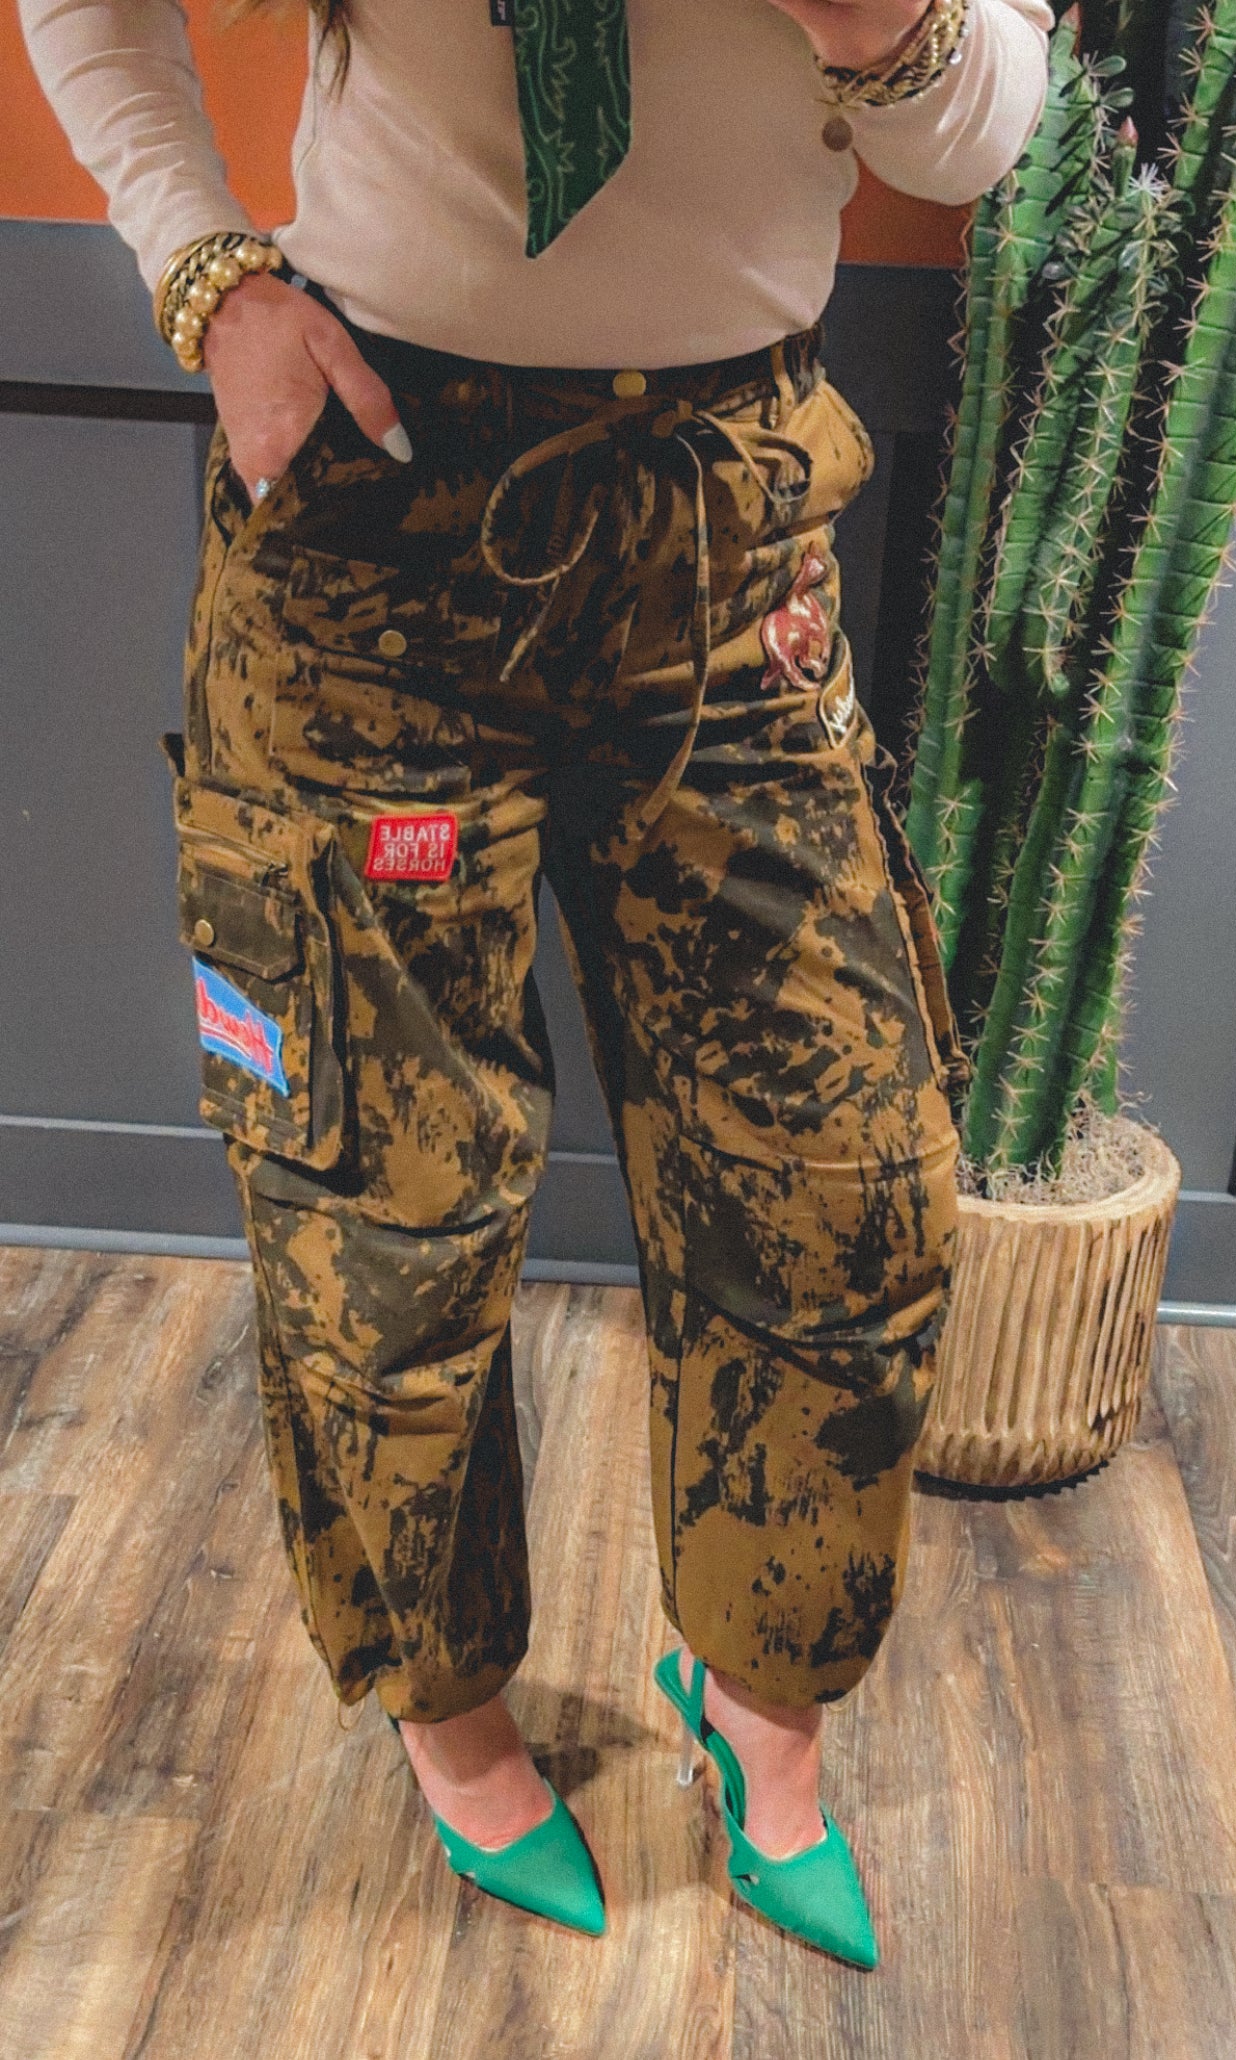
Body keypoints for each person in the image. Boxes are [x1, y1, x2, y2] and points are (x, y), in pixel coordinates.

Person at [19, 0, 1053, 1965]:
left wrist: (874, 17)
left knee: (841, 1180)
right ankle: (452, 1721)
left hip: (732, 534)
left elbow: (984, 135)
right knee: (378, 1205)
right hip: (374, 520)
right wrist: (207, 267)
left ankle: (764, 1712)